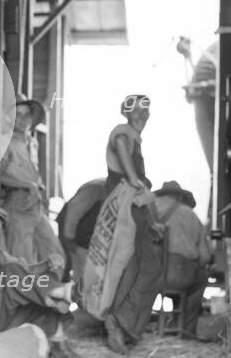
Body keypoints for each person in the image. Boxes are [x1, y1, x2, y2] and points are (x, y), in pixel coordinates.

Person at [0, 205, 79, 358]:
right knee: (11, 272)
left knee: (37, 300)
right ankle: (61, 293)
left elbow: (24, 271)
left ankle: (59, 347)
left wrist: (46, 265)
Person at [100, 94, 163, 355]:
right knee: (129, 266)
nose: (142, 116)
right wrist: (135, 179)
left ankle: (123, 322)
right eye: (137, 111)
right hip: (124, 205)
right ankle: (114, 322)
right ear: (126, 113)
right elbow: (125, 158)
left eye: (146, 112)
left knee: (150, 267)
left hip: (136, 207)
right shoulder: (123, 131)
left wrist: (152, 218)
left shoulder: (136, 138)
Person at [0, 95, 66, 279]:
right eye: (17, 114)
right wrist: (27, 185)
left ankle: (48, 301)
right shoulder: (4, 141)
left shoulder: (32, 143)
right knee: (22, 262)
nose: (22, 119)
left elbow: (34, 174)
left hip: (36, 206)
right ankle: (22, 305)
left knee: (55, 254)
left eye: (26, 115)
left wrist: (38, 191)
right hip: (17, 204)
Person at [153, 181, 211, 338]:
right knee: (200, 279)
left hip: (149, 277)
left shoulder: (150, 209)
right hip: (179, 276)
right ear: (180, 197)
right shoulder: (190, 215)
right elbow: (205, 257)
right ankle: (185, 329)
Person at [56, 177, 108, 284]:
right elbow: (73, 212)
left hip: (84, 235)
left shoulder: (111, 188)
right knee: (66, 263)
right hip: (72, 229)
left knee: (75, 264)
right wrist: (69, 239)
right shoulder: (97, 188)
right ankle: (60, 290)